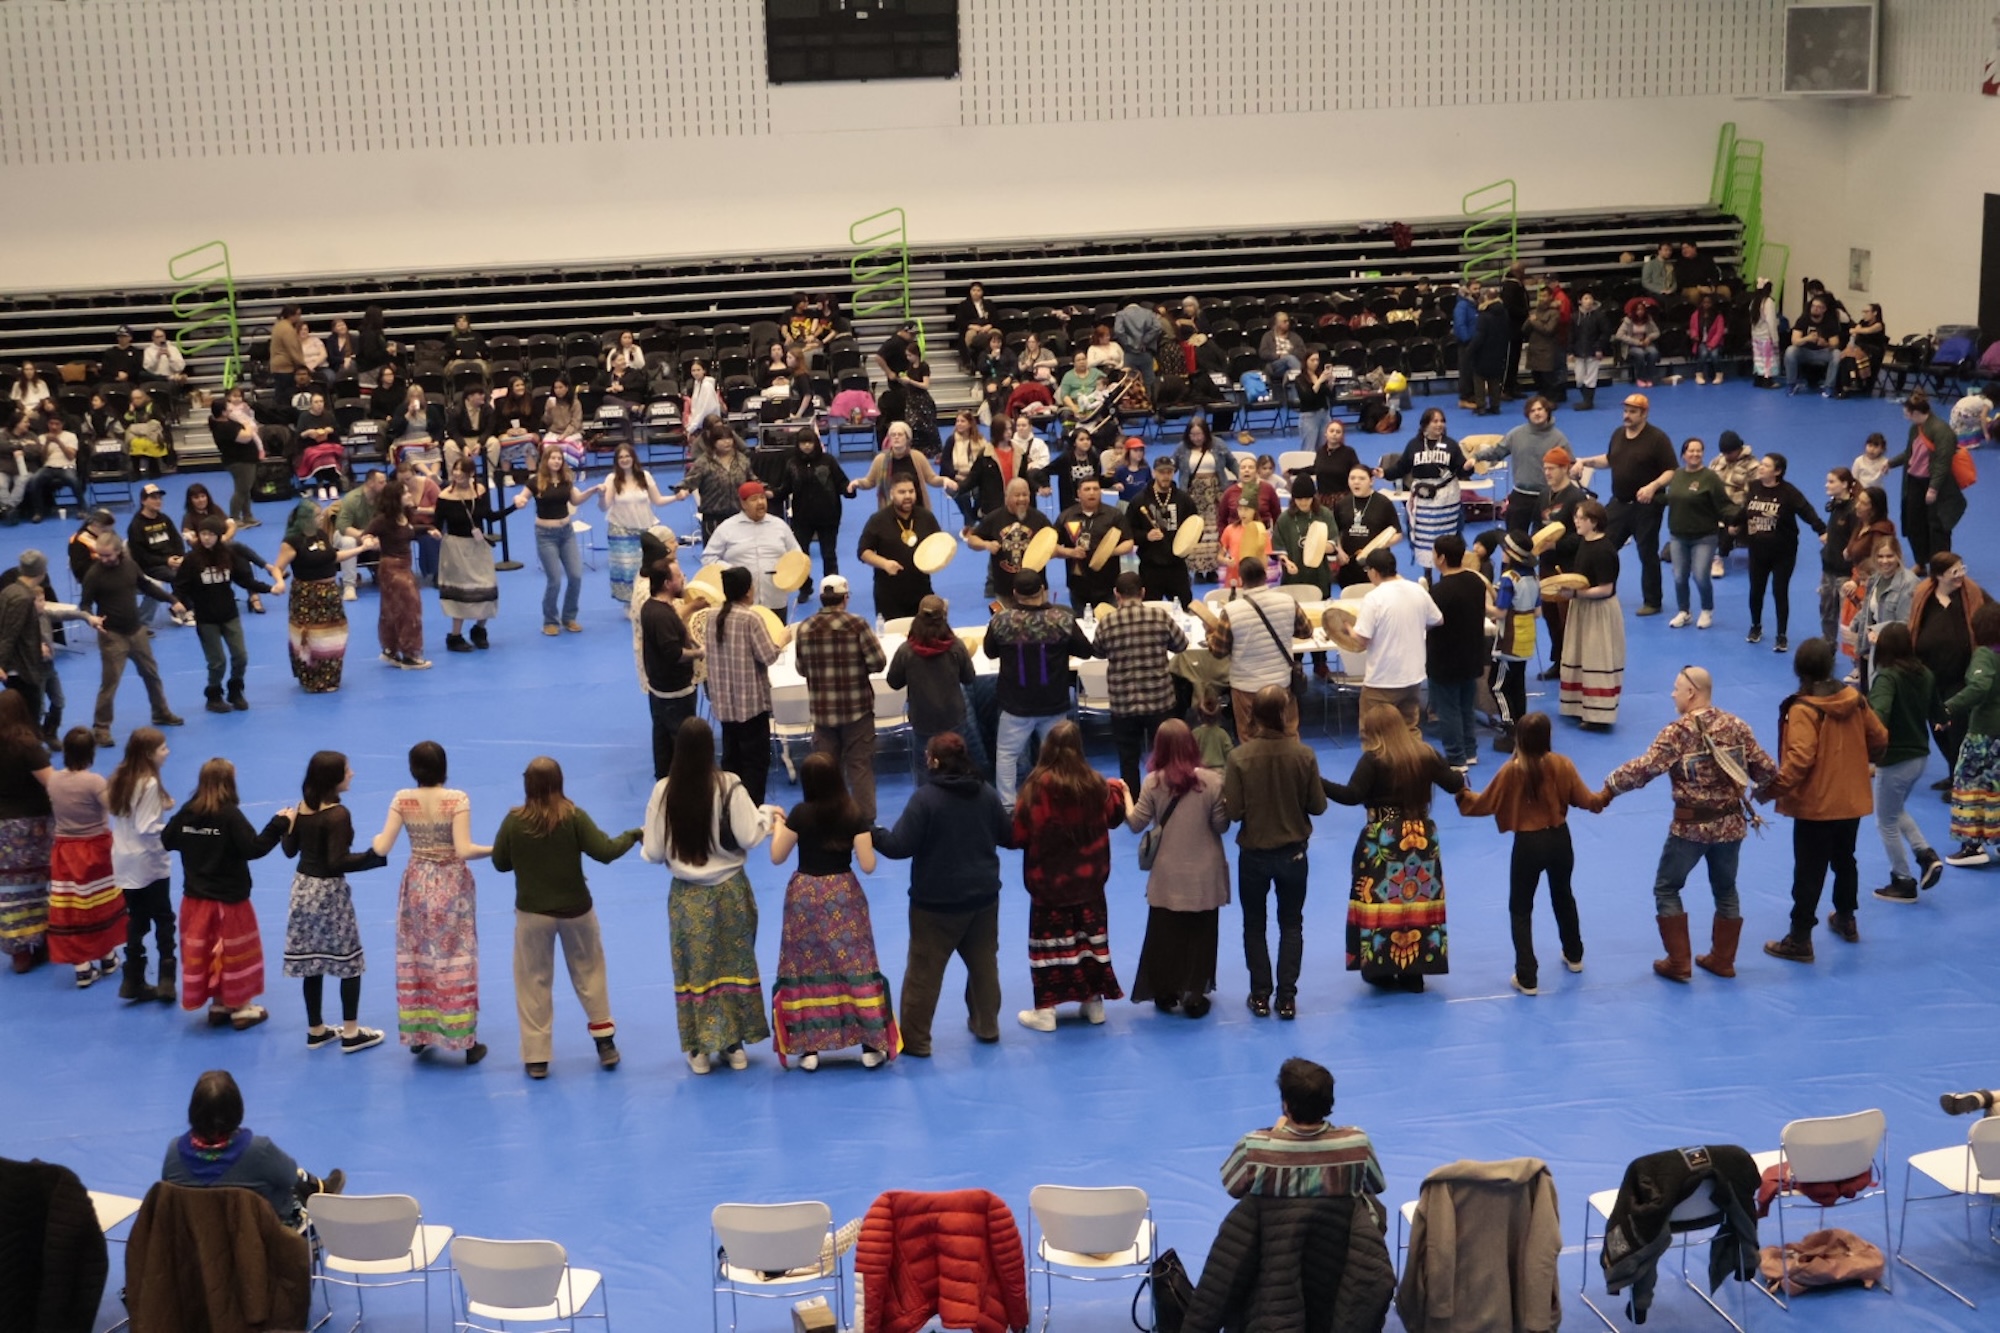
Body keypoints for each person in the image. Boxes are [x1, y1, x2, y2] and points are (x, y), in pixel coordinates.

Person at [1603, 666, 1778, 982]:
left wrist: (1608, 789)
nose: (1672, 693)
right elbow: (1766, 771)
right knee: (1726, 889)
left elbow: (1644, 769)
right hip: (1731, 826)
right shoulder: (1736, 725)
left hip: (1690, 829)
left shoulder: (1677, 733)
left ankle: (1678, 962)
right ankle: (1723, 961)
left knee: (1667, 887)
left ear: (1692, 693)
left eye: (1676, 688)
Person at [490, 756, 640, 1079]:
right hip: (577, 911)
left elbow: (500, 863)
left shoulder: (514, 822)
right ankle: (605, 1044)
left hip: (532, 914)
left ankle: (537, 1057)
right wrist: (634, 833)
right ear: (560, 783)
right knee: (591, 973)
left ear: (526, 785)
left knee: (532, 982)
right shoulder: (574, 817)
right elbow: (606, 852)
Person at [642, 716, 774, 1076]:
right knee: (733, 965)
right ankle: (735, 1045)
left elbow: (653, 852)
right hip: (730, 891)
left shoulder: (663, 792)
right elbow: (749, 837)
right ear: (711, 748)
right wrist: (765, 817)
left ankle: (700, 1048)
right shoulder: (729, 785)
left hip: (687, 898)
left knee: (696, 970)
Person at [872, 732, 1013, 1056]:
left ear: (934, 761)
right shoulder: (986, 794)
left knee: (924, 973)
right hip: (983, 898)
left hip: (935, 905)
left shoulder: (925, 800)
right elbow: (1008, 835)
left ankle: (917, 1040)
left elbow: (899, 846)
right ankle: (987, 1025)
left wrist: (872, 832)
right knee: (984, 965)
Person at [1456, 712, 1605, 994]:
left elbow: (1483, 804)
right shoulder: (1563, 764)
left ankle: (1527, 976)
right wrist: (1610, 792)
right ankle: (1574, 955)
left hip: (1529, 845)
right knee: (1563, 895)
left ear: (1520, 738)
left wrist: (1459, 791)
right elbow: (1588, 800)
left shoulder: (1512, 770)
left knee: (1521, 908)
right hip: (1561, 840)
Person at [1322, 702, 1463, 993]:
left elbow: (1352, 796)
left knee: (1380, 902)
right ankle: (1415, 971)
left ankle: (1382, 969)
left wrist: (1317, 781)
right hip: (1421, 838)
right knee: (1418, 901)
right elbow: (1454, 783)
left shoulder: (1373, 760)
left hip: (1382, 839)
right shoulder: (1425, 754)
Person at [1763, 639, 1888, 962]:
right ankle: (1846, 919)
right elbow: (1880, 738)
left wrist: (1770, 790)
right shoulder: (1854, 699)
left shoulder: (1803, 709)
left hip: (1817, 805)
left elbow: (1800, 760)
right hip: (1851, 800)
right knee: (1845, 859)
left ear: (1799, 669)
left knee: (1808, 870)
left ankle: (1800, 938)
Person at [369, 741, 490, 1064]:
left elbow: (381, 847)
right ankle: (465, 1040)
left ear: (413, 769)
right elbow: (464, 850)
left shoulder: (402, 799)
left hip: (417, 886)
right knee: (456, 958)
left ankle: (419, 1034)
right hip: (452, 887)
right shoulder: (457, 800)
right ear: (444, 767)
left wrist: (372, 840)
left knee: (417, 955)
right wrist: (496, 849)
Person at [1011, 721, 1126, 1032]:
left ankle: (1046, 1011)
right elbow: (1116, 817)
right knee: (1090, 942)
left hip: (1048, 887)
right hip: (1089, 885)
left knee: (1048, 946)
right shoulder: (1096, 784)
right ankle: (1094, 1004)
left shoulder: (1036, 789)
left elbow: (1017, 834)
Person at [1222, 686, 1327, 1019]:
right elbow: (1319, 806)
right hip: (1294, 855)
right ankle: (1287, 998)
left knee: (1254, 925)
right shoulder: (1304, 755)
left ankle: (1260, 995)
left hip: (1253, 855)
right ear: (1284, 714)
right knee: (1291, 925)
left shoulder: (1238, 758)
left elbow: (1234, 812)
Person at [161, 758, 290, 1028]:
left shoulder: (188, 811)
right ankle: (241, 1006)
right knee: (234, 952)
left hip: (195, 901)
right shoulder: (229, 815)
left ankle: (219, 1003)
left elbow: (168, 839)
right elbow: (253, 848)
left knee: (209, 951)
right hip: (229, 901)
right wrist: (279, 823)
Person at [279, 751, 389, 1053]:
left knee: (311, 961)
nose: (352, 773)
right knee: (348, 960)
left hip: (302, 889)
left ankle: (316, 1029)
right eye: (347, 769)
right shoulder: (339, 815)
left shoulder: (304, 808)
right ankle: (351, 1032)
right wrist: (374, 856)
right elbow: (336, 861)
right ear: (334, 778)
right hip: (329, 895)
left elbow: (290, 850)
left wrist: (287, 825)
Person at [1123, 719, 1228, 1017]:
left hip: (1168, 874)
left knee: (1165, 932)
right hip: (1205, 872)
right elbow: (1221, 825)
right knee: (1201, 933)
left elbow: (1135, 824)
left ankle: (1165, 991)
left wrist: (1124, 796)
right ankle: (1194, 994)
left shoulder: (1153, 783)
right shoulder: (1212, 781)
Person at [161, 1071, 342, 1231]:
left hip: (198, 1246)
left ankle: (319, 1188)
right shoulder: (258, 1151)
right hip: (260, 1248)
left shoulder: (174, 1153)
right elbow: (289, 1178)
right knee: (290, 1179)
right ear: (237, 1109)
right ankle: (319, 1188)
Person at [984, 569, 1094, 809]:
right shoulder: (1062, 619)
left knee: (1006, 756)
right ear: (1043, 591)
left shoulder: (1001, 620)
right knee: (1058, 757)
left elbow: (990, 652)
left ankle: (1008, 806)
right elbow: (1086, 650)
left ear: (1014, 594)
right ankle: (1058, 801)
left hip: (1015, 703)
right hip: (1053, 702)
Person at [1219, 1057, 1385, 1201]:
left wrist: (1274, 1136)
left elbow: (1233, 1187)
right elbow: (1376, 1186)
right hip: (1338, 1234)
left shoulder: (1253, 1147)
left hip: (1273, 1235)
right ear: (1330, 1101)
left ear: (1285, 1105)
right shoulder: (1357, 1144)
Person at [793, 575, 887, 822]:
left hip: (823, 714)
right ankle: (865, 827)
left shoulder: (804, 628)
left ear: (822, 599)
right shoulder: (857, 625)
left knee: (825, 771)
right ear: (845, 598)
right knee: (860, 767)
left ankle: (829, 823)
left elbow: (801, 669)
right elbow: (878, 663)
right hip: (858, 711)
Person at [78, 534, 185, 748]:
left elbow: (146, 586)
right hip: (112, 635)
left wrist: (172, 600)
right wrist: (90, 618)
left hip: (136, 631)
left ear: (118, 551)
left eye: (107, 555)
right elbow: (85, 604)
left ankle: (160, 712)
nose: (103, 559)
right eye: (100, 555)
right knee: (110, 683)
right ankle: (101, 728)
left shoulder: (129, 565)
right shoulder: (94, 574)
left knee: (151, 673)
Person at [1867, 623, 1945, 901]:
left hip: (1896, 760)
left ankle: (1903, 880)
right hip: (1920, 757)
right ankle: (1925, 855)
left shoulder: (1887, 678)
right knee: (1896, 810)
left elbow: (1878, 717)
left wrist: (1866, 747)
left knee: (1884, 821)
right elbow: (1939, 714)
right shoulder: (1925, 673)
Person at [1577, 393, 1674, 616]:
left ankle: (1653, 601)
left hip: (1646, 507)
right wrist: (1585, 461)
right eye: (1626, 411)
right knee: (1604, 545)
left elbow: (1671, 470)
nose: (1627, 416)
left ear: (1644, 414)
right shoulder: (1619, 435)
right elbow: (1611, 459)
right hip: (1619, 504)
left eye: (1632, 412)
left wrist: (1653, 486)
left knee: (1647, 553)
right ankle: (1601, 589)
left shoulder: (1658, 439)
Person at [40, 728, 123, 986]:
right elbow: (116, 807)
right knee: (101, 903)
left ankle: (82, 966)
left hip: (65, 850)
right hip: (95, 849)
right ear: (91, 753)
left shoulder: (53, 780)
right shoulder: (95, 782)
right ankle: (107, 955)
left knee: (73, 907)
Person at [1098, 572, 1188, 795]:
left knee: (1127, 758)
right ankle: (1166, 796)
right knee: (1165, 755)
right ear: (1143, 593)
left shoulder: (1107, 621)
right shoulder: (1159, 616)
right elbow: (1181, 644)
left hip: (1123, 701)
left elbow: (1098, 651)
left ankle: (1134, 803)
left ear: (1116, 594)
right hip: (1158, 699)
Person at [174, 517, 277, 713]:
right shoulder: (192, 560)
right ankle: (213, 696)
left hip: (229, 614)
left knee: (241, 656)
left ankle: (235, 690)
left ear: (219, 536)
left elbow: (245, 580)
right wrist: (177, 603)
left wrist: (269, 589)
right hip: (206, 618)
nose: (206, 538)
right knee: (217, 662)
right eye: (203, 534)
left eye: (211, 534)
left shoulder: (228, 555)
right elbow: (180, 586)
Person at [107, 728, 176, 1002]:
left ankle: (132, 979)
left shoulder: (120, 776)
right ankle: (167, 978)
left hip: (123, 860)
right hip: (148, 861)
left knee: (136, 917)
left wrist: (161, 804)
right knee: (163, 917)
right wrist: (174, 830)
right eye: (163, 748)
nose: (167, 752)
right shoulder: (148, 783)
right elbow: (146, 826)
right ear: (149, 754)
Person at [706, 565, 784, 806]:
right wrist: (782, 641)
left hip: (724, 704)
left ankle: (731, 806)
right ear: (749, 590)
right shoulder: (751, 618)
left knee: (731, 759)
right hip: (750, 704)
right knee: (755, 760)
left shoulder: (711, 616)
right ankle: (752, 811)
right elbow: (767, 655)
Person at [273, 500, 369, 694]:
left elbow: (334, 557)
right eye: (317, 515)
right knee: (311, 636)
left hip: (330, 594)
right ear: (305, 519)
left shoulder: (322, 534)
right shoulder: (292, 541)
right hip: (308, 595)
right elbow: (277, 567)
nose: (321, 518)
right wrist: (280, 581)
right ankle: (312, 678)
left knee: (334, 634)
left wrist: (361, 549)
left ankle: (330, 676)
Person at [1210, 558, 1311, 741]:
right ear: (1266, 577)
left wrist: (1210, 634)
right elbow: (1306, 631)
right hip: (1281, 682)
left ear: (1241, 580)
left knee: (1250, 738)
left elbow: (1218, 651)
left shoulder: (1231, 610)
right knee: (1288, 734)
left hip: (1246, 686)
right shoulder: (1287, 601)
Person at [1342, 548, 1442, 731]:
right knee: (1409, 729)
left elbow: (1362, 639)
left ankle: (1379, 761)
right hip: (1413, 676)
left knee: (1373, 732)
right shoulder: (1418, 590)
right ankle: (1412, 760)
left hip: (1382, 679)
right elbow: (1438, 619)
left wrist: (1348, 630)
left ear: (1374, 571)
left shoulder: (1374, 598)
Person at [1737, 451, 1826, 653]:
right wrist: (1732, 524)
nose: (1760, 467)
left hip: (1783, 553)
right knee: (1756, 591)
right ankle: (1756, 626)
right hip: (1758, 551)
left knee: (1780, 591)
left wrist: (1821, 530)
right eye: (1761, 464)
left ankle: (1781, 634)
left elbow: (1807, 511)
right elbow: (1745, 511)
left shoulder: (1789, 492)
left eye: (1766, 466)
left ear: (1777, 471)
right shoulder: (1753, 487)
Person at [886, 595, 980, 784]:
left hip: (923, 720)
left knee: (925, 769)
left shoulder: (906, 651)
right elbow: (969, 678)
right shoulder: (956, 647)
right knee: (957, 764)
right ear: (944, 616)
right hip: (953, 717)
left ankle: (928, 806)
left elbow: (893, 682)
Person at [513, 449, 603, 635]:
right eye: (553, 458)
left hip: (566, 533)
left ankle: (569, 617)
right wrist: (519, 500)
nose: (556, 461)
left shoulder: (566, 481)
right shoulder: (535, 481)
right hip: (545, 535)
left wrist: (592, 490)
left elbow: (576, 500)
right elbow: (522, 497)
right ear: (546, 460)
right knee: (554, 579)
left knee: (575, 576)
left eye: (559, 459)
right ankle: (550, 621)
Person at [1554, 500, 1624, 729]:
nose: (1576, 521)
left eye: (1580, 518)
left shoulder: (1604, 550)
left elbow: (1606, 588)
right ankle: (1578, 705)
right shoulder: (1585, 542)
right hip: (1583, 606)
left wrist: (1575, 592)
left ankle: (1599, 716)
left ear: (1593, 522)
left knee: (1596, 656)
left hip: (1598, 610)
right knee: (1579, 654)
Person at [1943, 604, 2000, 869]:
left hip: (1984, 736)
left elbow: (1979, 686)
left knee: (1968, 786)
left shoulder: (1984, 657)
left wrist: (1948, 707)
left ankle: (1971, 845)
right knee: (1996, 790)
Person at [1426, 535, 1487, 769]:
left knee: (1448, 710)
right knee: (1466, 707)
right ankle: (1470, 752)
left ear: (1441, 558)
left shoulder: (1440, 591)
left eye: (1434, 553)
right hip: (1471, 655)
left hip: (1445, 660)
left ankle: (1455, 758)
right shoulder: (1476, 582)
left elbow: (1430, 622)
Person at [1381, 408, 1469, 571]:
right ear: (1425, 424)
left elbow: (1462, 469)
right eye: (1435, 421)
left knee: (1448, 537)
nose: (1439, 424)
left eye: (1442, 421)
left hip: (1447, 497)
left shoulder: (1451, 445)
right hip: (1424, 498)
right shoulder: (1414, 445)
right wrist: (1385, 473)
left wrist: (1469, 467)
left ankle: (1448, 572)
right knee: (1423, 537)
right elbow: (1402, 468)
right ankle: (1427, 574)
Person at [1663, 436, 1736, 629]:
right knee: (1679, 576)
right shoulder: (1677, 475)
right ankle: (1684, 612)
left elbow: (1724, 504)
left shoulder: (1710, 477)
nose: (1695, 454)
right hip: (1678, 535)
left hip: (1704, 537)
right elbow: (1670, 498)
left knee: (1700, 575)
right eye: (1691, 451)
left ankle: (1706, 609)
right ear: (1684, 455)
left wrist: (1738, 518)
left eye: (1699, 451)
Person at [639, 558, 702, 781]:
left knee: (662, 741)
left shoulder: (652, 607)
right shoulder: (662, 616)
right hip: (675, 694)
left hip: (658, 691)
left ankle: (664, 783)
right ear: (667, 583)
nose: (683, 578)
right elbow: (674, 653)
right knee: (683, 744)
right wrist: (700, 652)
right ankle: (685, 785)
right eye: (679, 576)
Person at [1470, 396, 1570, 534]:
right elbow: (1497, 451)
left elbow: (1569, 465)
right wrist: (1476, 457)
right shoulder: (1516, 434)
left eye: (1540, 409)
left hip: (1548, 497)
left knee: (1546, 542)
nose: (1536, 413)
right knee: (1513, 542)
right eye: (1532, 410)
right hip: (1520, 495)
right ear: (1527, 414)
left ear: (1547, 411)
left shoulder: (1559, 438)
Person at [1886, 392, 1963, 565]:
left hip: (1934, 484)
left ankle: (1940, 567)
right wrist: (1891, 463)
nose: (1905, 416)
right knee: (1915, 524)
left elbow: (1943, 462)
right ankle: (1921, 563)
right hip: (1914, 481)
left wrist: (1933, 488)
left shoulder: (1942, 431)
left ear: (1915, 412)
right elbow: (1910, 453)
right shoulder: (1916, 428)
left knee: (1937, 527)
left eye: (1906, 413)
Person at [705, 480, 804, 614]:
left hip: (775, 598)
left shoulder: (780, 526)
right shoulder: (727, 528)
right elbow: (708, 558)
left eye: (762, 498)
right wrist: (732, 571)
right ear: (743, 504)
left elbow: (796, 555)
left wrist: (788, 574)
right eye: (754, 499)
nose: (760, 503)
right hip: (741, 602)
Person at [362, 482, 429, 670]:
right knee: (410, 608)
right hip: (392, 568)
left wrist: (428, 528)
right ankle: (410, 654)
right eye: (405, 492)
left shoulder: (405, 515)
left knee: (391, 609)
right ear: (395, 498)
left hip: (405, 566)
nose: (409, 495)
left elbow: (410, 531)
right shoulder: (383, 520)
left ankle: (390, 650)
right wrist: (369, 540)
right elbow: (366, 533)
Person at [856, 476, 941, 621]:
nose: (907, 496)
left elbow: (938, 544)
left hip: (921, 590)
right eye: (902, 492)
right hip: (888, 594)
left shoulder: (926, 517)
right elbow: (863, 552)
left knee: (925, 636)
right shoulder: (878, 520)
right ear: (891, 494)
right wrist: (884, 563)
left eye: (911, 491)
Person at [434, 457, 496, 652]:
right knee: (460, 593)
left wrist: (514, 507)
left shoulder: (481, 492)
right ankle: (455, 636)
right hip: (455, 548)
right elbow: (437, 523)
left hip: (478, 546)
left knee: (488, 587)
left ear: (471, 474)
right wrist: (432, 532)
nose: (457, 473)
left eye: (462, 470)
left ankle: (479, 629)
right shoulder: (444, 496)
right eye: (455, 469)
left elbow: (490, 516)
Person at [778, 427, 848, 592]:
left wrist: (849, 489)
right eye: (803, 443)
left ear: (815, 443)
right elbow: (785, 488)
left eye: (809, 442)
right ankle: (805, 586)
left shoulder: (828, 461)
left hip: (828, 516)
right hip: (802, 518)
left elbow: (841, 482)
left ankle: (832, 588)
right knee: (802, 555)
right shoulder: (792, 464)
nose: (807, 446)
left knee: (829, 555)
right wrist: (772, 494)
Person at [598, 442, 668, 605]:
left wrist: (677, 497)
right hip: (620, 530)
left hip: (645, 528)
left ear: (633, 458)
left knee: (648, 567)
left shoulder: (645, 476)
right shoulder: (612, 479)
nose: (624, 459)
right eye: (620, 457)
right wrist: (601, 496)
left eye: (627, 456)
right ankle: (630, 603)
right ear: (616, 461)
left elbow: (658, 500)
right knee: (628, 569)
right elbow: (604, 507)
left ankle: (647, 599)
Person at [967, 476, 1054, 601]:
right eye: (1017, 495)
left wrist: (1060, 552)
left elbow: (1053, 544)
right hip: (1005, 589)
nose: (1022, 499)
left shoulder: (1040, 519)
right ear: (1006, 497)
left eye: (1025, 495)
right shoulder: (994, 518)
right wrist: (986, 544)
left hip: (1036, 590)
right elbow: (971, 540)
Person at [1127, 457, 1198, 606]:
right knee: (1150, 610)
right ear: (1154, 473)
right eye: (1161, 472)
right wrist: (1146, 536)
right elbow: (1127, 531)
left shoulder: (1184, 500)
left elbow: (1196, 528)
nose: (1165, 476)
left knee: (1185, 608)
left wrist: (1188, 544)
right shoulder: (1139, 500)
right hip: (1150, 567)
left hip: (1177, 566)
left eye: (1169, 472)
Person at [1174, 418, 1238, 582]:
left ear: (1205, 433)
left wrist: (1243, 479)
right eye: (1192, 434)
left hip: (1214, 494)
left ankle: (1212, 569)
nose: (1196, 438)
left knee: (1213, 531)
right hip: (1191, 495)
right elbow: (1171, 466)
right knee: (1194, 532)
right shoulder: (1182, 448)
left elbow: (1232, 463)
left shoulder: (1218, 445)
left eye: (1199, 434)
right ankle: (1196, 570)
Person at [1054, 476, 1130, 611]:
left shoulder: (1114, 515)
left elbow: (1129, 542)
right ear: (1079, 493)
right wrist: (1070, 552)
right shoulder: (1066, 516)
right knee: (1082, 626)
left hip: (1108, 585)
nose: (1092, 492)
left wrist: (1108, 552)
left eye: (1096, 489)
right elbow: (1051, 547)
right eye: (1087, 489)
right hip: (1078, 586)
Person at [1818, 467, 1860, 644]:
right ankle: (1828, 647)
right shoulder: (1835, 505)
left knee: (1849, 617)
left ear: (1844, 484)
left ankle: (1857, 659)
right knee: (1827, 612)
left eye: (1831, 481)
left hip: (1845, 573)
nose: (1827, 485)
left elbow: (1856, 542)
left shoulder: (1853, 511)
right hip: (1828, 570)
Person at [1784, 294, 1845, 395]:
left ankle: (1829, 386)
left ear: (1824, 309)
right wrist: (1807, 338)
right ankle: (1791, 384)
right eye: (1813, 306)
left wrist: (1825, 343)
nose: (1815, 309)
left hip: (1822, 352)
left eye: (1818, 307)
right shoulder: (1803, 320)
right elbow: (1794, 341)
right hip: (1805, 352)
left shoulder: (1830, 322)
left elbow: (1835, 343)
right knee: (1790, 351)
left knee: (1837, 353)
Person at [1615, 302, 1663, 387]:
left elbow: (1656, 332)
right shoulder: (1628, 321)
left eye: (1642, 310)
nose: (1640, 312)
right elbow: (1619, 335)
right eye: (1638, 310)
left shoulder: (1648, 319)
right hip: (1632, 345)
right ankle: (1640, 378)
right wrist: (1636, 342)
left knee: (1653, 353)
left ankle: (1650, 377)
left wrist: (1649, 338)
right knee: (1639, 354)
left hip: (1646, 343)